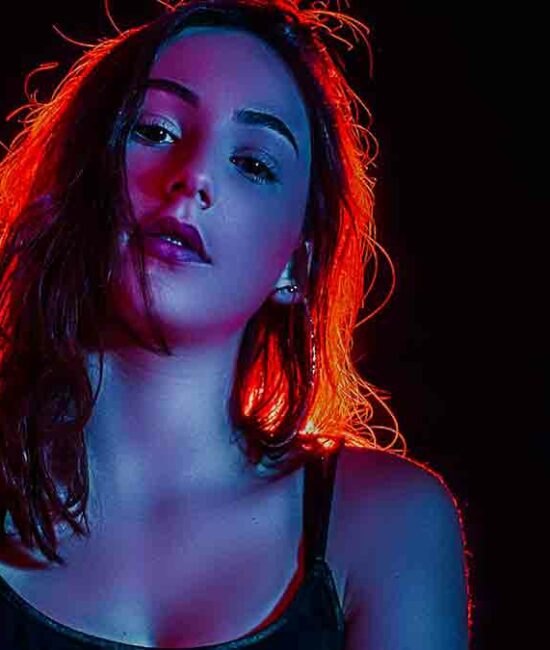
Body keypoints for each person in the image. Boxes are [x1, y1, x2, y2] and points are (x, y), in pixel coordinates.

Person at [0, 1, 470, 648]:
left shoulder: (387, 523)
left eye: (254, 164)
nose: (193, 175)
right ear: (75, 176)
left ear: (297, 264)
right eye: (154, 130)